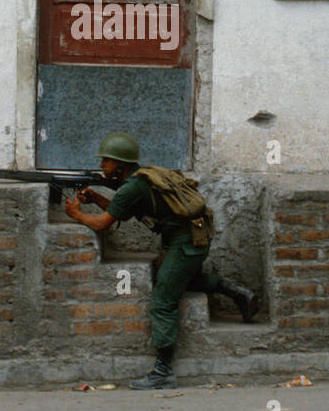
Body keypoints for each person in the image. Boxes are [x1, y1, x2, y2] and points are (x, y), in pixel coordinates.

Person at [64, 133, 260, 390]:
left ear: (120, 165)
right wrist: (98, 199)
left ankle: (163, 372)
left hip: (186, 243)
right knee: (183, 279)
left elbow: (102, 224)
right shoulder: (139, 179)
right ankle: (239, 294)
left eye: (106, 161)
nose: (101, 165)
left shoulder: (132, 187)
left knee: (163, 300)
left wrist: (77, 214)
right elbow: (122, 208)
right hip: (189, 238)